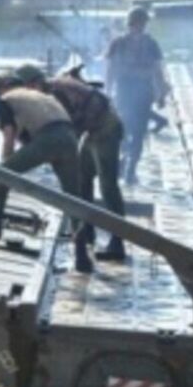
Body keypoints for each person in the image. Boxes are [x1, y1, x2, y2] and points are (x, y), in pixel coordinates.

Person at [15, 65, 128, 261]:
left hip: (106, 130)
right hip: (91, 132)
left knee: (107, 185)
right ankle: (86, 230)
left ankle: (117, 242)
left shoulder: (56, 93)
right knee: (83, 180)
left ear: (33, 83)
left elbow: (65, 128)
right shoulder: (50, 90)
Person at [0, 75, 94, 273]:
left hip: (50, 138)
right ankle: (81, 256)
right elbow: (32, 134)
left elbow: (9, 134)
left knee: (2, 174)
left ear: (3, 88)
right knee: (73, 200)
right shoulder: (39, 96)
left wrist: (4, 164)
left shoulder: (5, 101)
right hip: (69, 138)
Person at [105, 6, 166, 185]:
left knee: (137, 133)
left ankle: (130, 169)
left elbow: (157, 71)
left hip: (141, 91)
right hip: (126, 90)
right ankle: (125, 166)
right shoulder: (119, 43)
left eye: (141, 24)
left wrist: (161, 93)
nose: (139, 27)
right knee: (126, 131)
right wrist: (108, 92)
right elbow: (111, 70)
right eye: (138, 23)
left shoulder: (150, 44)